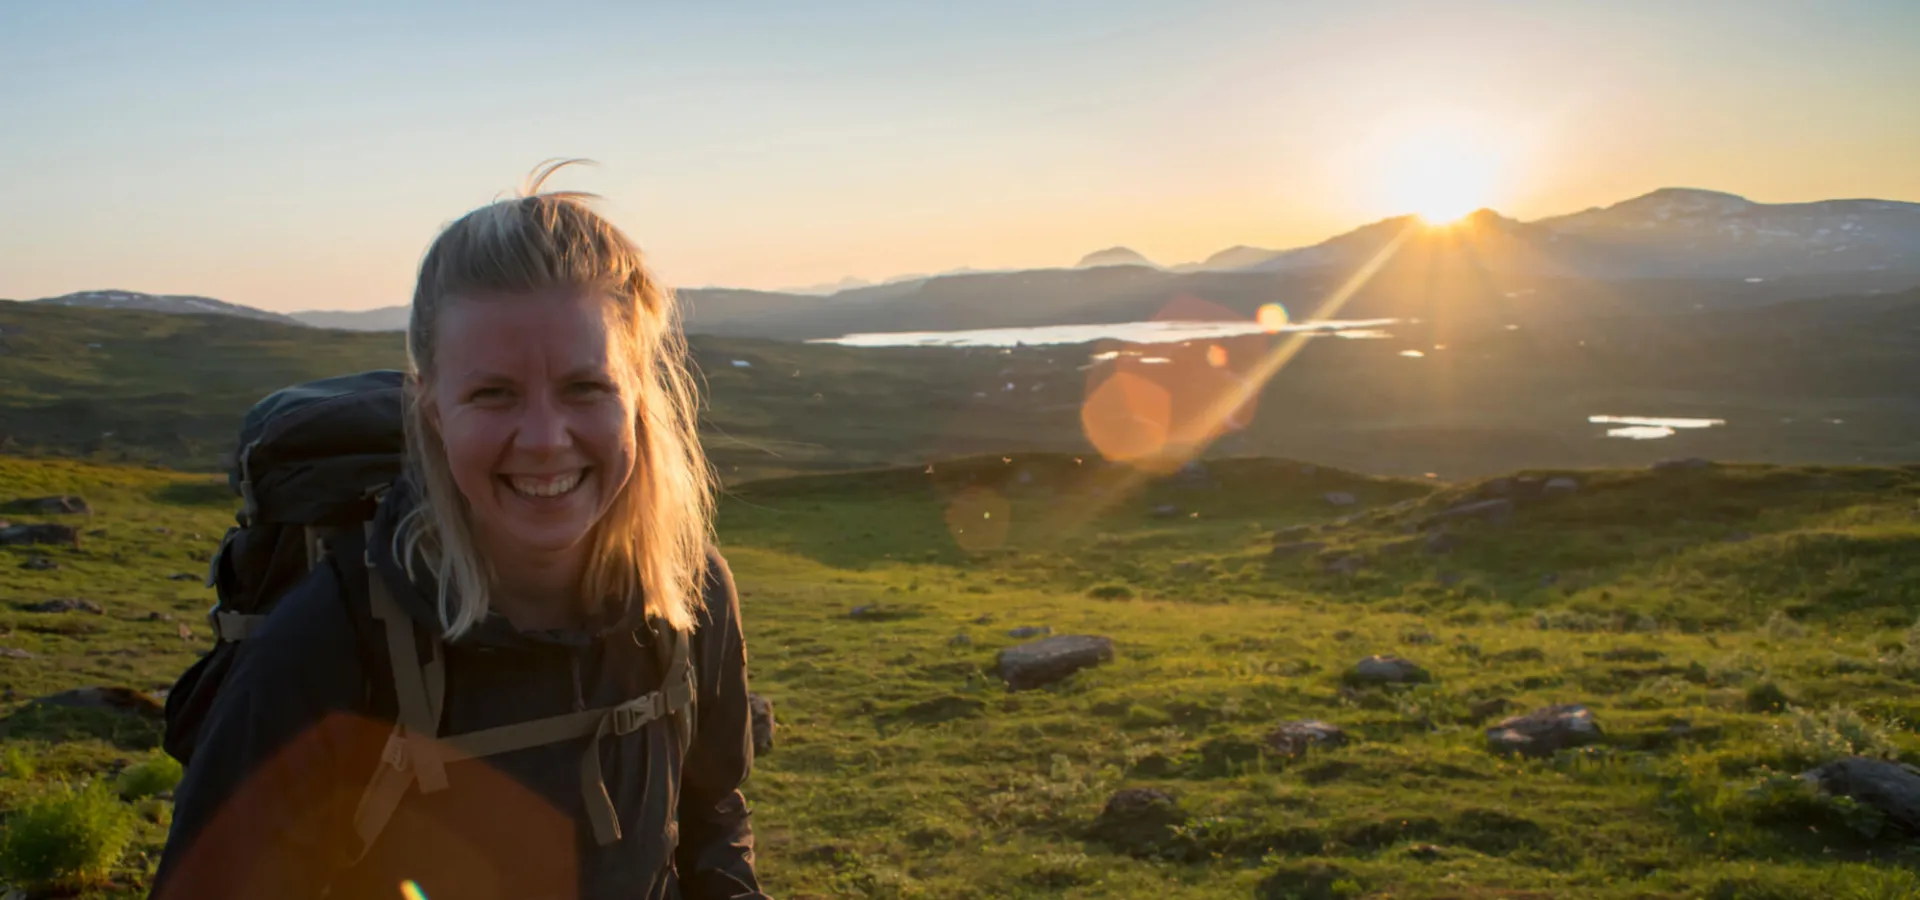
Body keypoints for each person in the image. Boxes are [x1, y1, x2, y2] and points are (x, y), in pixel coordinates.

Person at [150, 161, 769, 899]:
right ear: (433, 412)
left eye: (585, 386)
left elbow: (711, 814)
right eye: (493, 393)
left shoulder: (689, 592)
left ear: (637, 396)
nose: (545, 439)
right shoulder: (333, 643)